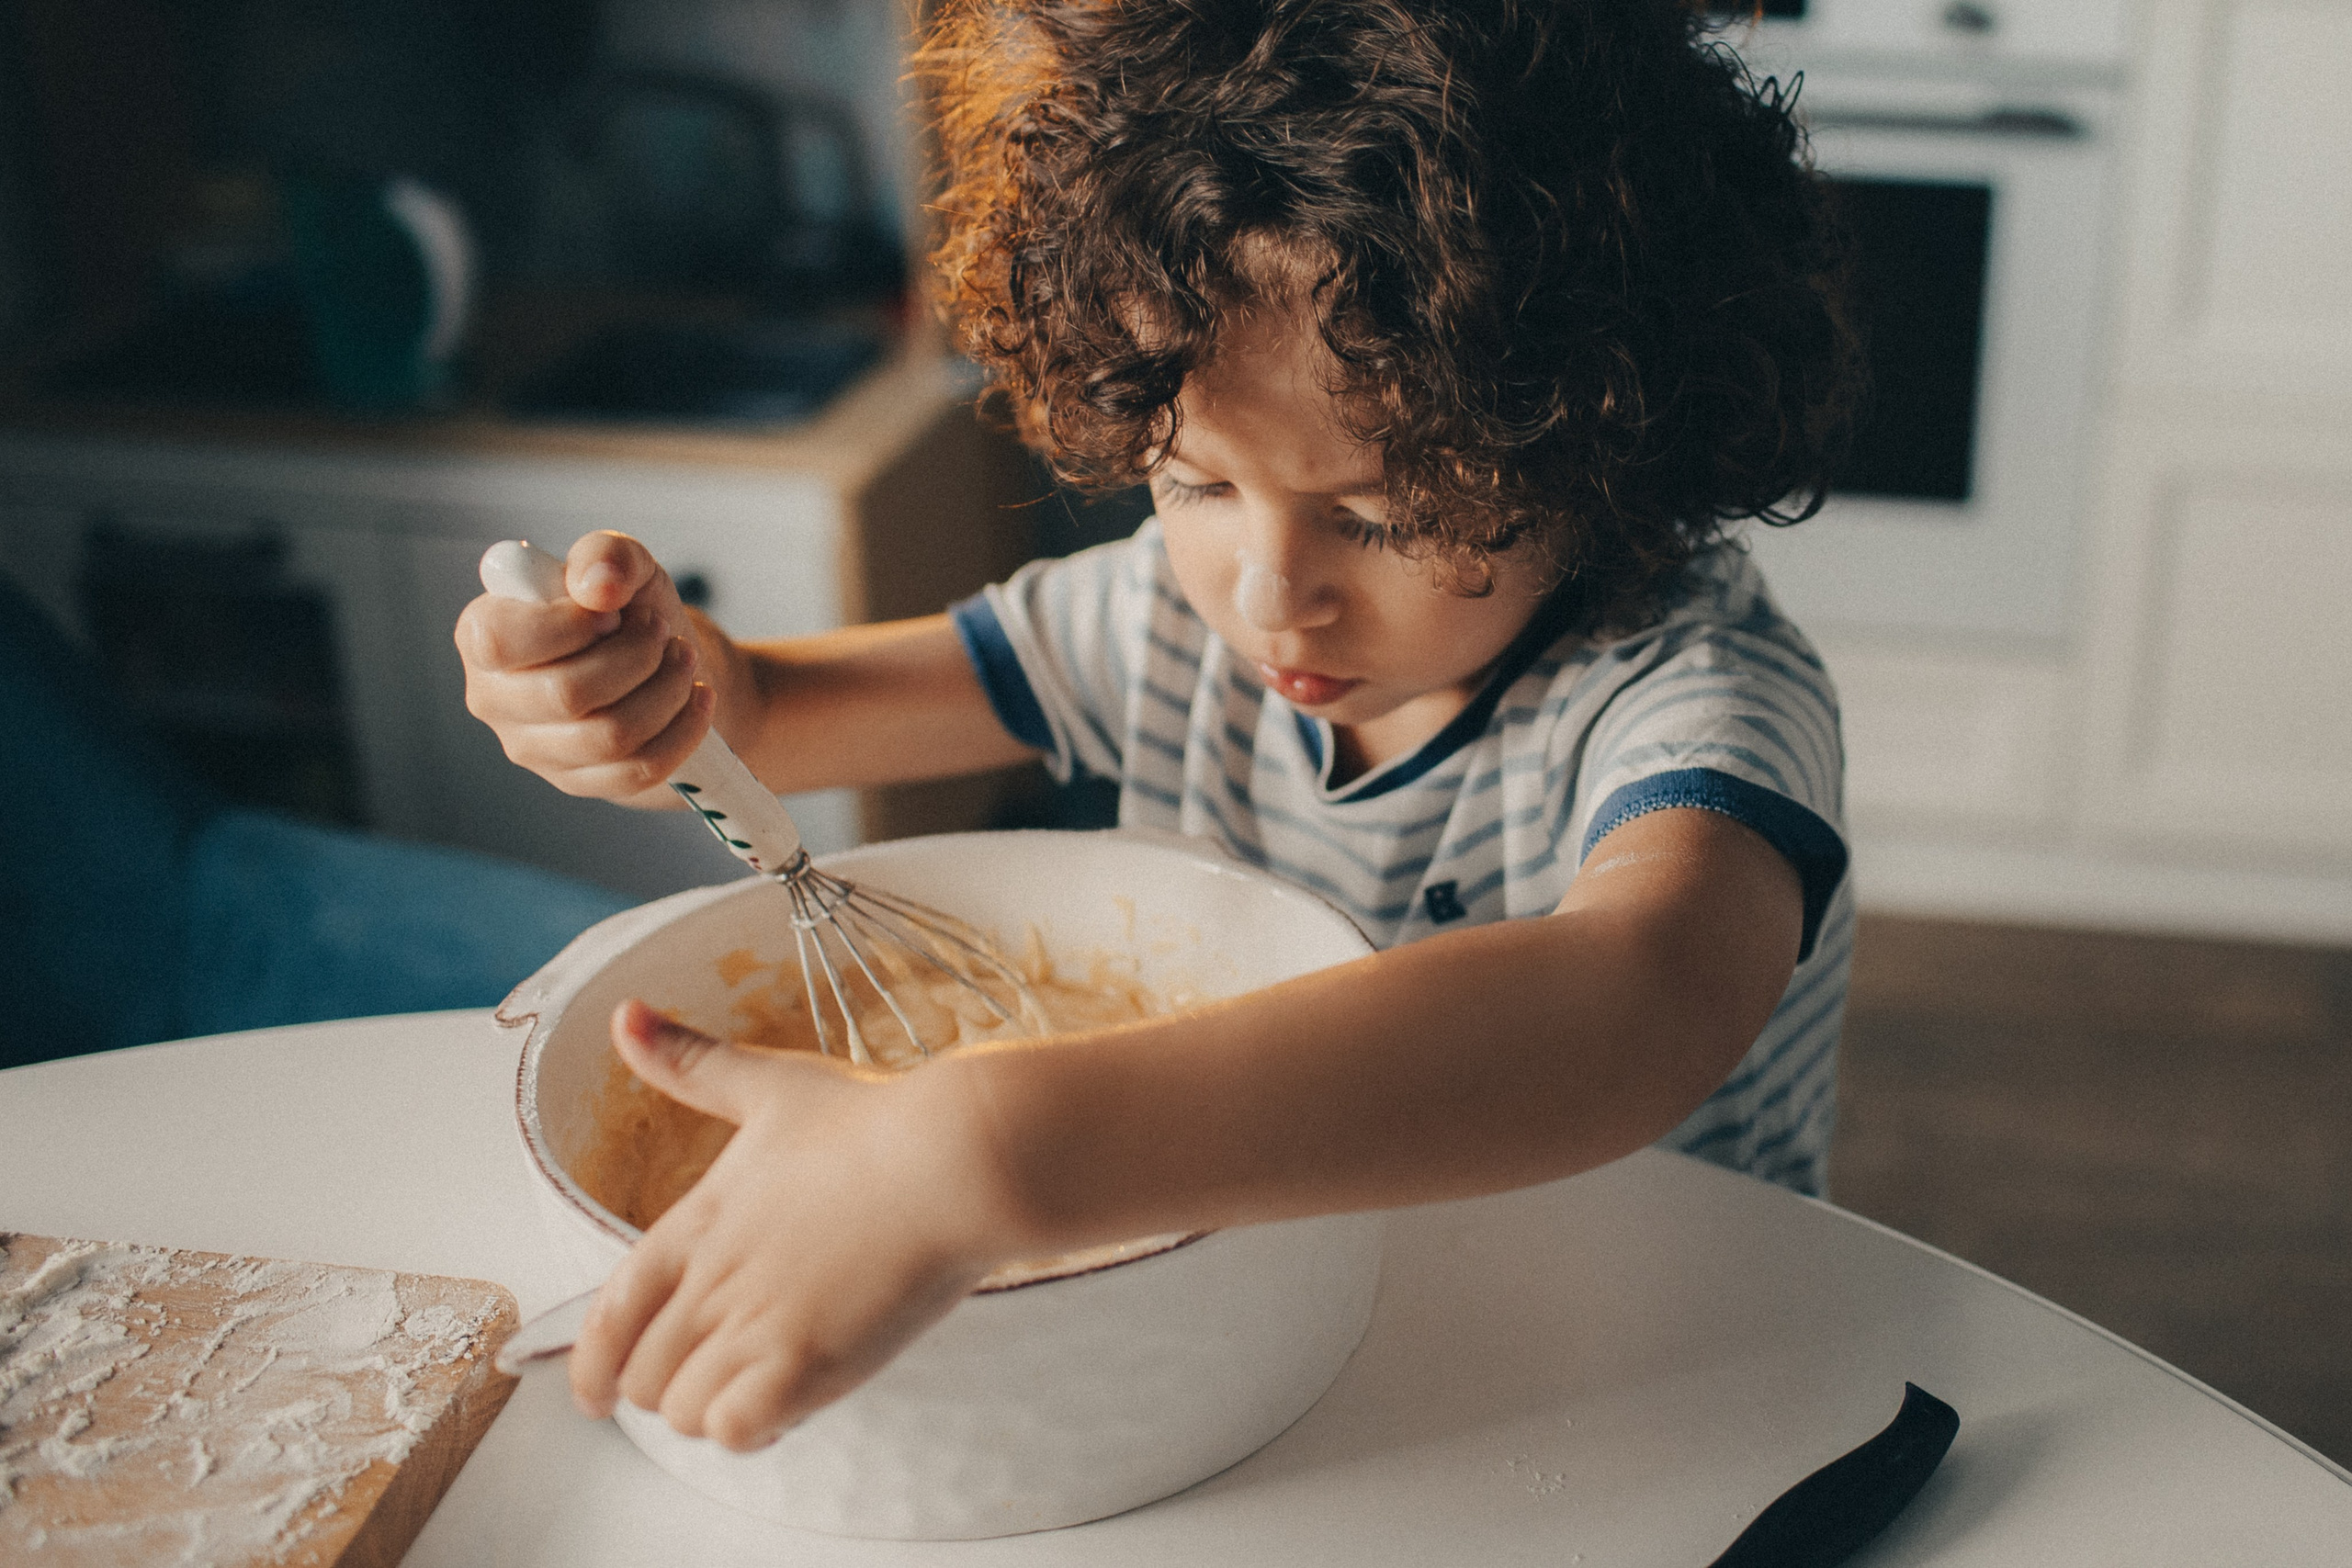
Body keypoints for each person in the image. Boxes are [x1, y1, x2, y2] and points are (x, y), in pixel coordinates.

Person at [456, 0, 1861, 1454]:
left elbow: (1640, 998)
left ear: (1605, 451)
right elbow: (770, 718)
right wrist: (645, 697)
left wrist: (986, 1147)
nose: (1269, 594)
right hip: (1305, 1360)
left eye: (1380, 516)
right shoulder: (1163, 619)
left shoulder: (1697, 697)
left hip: (1658, 1378)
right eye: (1196, 483)